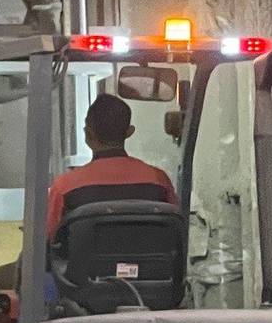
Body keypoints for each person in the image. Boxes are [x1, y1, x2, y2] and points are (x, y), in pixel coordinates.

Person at [45, 91, 177, 238]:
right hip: (152, 261)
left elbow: (46, 240)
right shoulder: (159, 181)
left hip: (85, 262)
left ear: (88, 134)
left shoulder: (64, 187)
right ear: (129, 132)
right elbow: (177, 230)